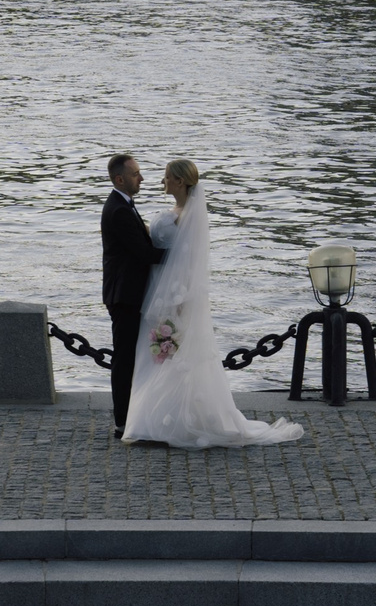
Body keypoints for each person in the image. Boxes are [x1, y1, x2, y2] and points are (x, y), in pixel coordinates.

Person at [121, 159, 304, 450]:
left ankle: (166, 421)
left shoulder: (189, 218)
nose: (162, 180)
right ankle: (154, 419)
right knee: (158, 356)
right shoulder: (176, 213)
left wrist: (179, 302)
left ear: (180, 182)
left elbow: (189, 264)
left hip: (173, 296)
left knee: (172, 355)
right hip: (156, 290)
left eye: (167, 177)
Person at [100, 153, 162, 434]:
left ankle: (129, 416)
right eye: (136, 174)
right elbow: (144, 253)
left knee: (128, 357)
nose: (142, 178)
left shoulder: (123, 205)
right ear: (120, 179)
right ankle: (122, 421)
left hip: (127, 293)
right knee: (124, 359)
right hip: (124, 296)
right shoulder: (119, 211)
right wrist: (183, 252)